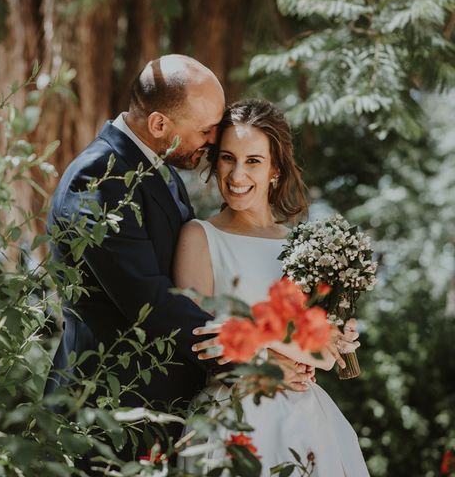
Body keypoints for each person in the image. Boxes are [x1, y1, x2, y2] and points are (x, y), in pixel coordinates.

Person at [44, 56, 314, 464]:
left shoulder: (161, 174)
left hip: (161, 411)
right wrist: (256, 354)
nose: (212, 141)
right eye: (205, 130)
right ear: (159, 125)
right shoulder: (98, 179)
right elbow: (150, 301)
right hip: (109, 411)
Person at [174, 99, 369, 476]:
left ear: (275, 169)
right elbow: (200, 339)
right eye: (228, 158)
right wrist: (277, 355)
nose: (236, 174)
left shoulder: (303, 247)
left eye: (253, 161)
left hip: (307, 420)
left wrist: (249, 334)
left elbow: (323, 356)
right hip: (233, 415)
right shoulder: (199, 237)